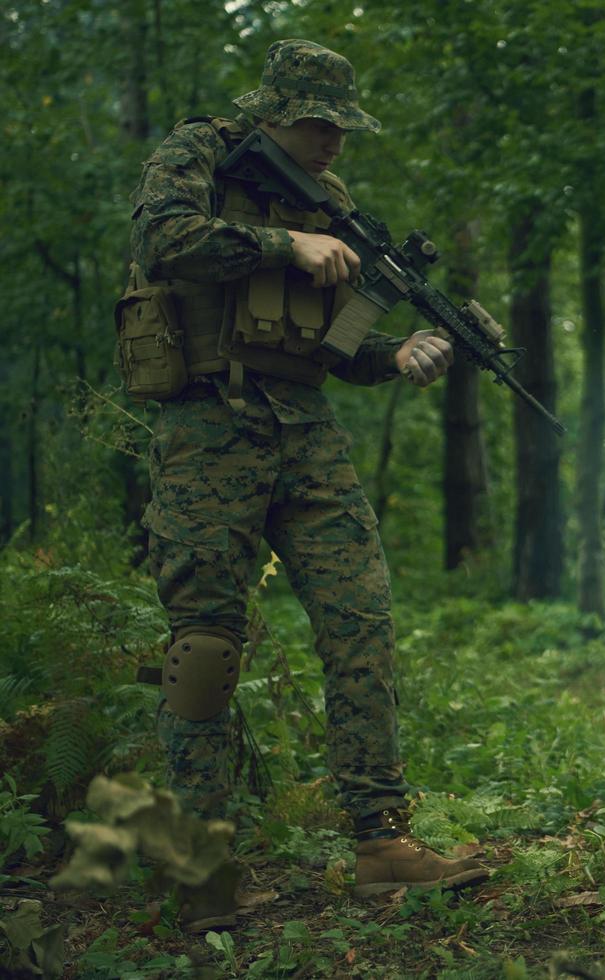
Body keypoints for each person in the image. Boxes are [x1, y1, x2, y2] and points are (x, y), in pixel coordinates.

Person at [124, 38, 484, 928]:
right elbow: (160, 240)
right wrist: (285, 243)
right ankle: (200, 867)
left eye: (342, 129)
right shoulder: (201, 150)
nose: (333, 143)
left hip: (303, 429)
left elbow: (329, 349)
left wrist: (394, 354)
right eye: (319, 125)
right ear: (274, 114)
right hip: (210, 423)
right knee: (205, 647)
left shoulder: (336, 205)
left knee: (360, 617)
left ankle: (382, 837)